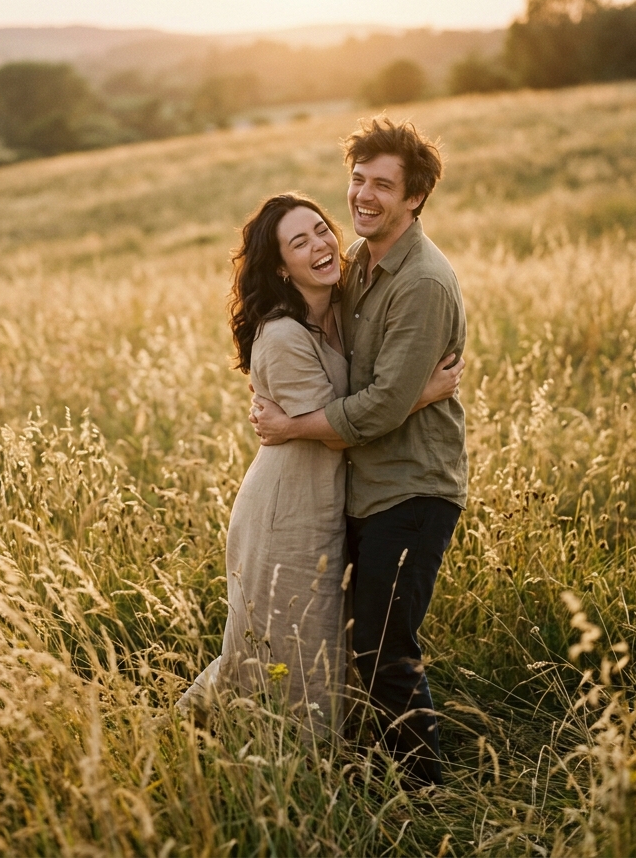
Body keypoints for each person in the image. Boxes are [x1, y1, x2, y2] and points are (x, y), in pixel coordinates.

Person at [179, 192, 462, 737]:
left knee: (323, 638)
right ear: (281, 269)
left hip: (328, 500)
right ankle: (240, 743)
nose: (321, 246)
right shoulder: (284, 336)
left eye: (321, 229)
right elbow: (338, 435)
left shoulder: (340, 308)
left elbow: (362, 398)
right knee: (282, 639)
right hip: (287, 507)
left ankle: (325, 746)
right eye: (299, 242)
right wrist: (421, 395)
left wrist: (401, 392)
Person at [250, 118, 467, 785]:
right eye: (357, 179)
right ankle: (373, 764)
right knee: (356, 643)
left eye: (382, 185)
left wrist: (294, 428)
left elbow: (375, 406)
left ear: (415, 199)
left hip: (412, 488)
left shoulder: (421, 282)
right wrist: (414, 394)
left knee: (384, 649)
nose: (363, 196)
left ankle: (422, 791)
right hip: (364, 486)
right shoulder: (360, 266)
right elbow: (355, 373)